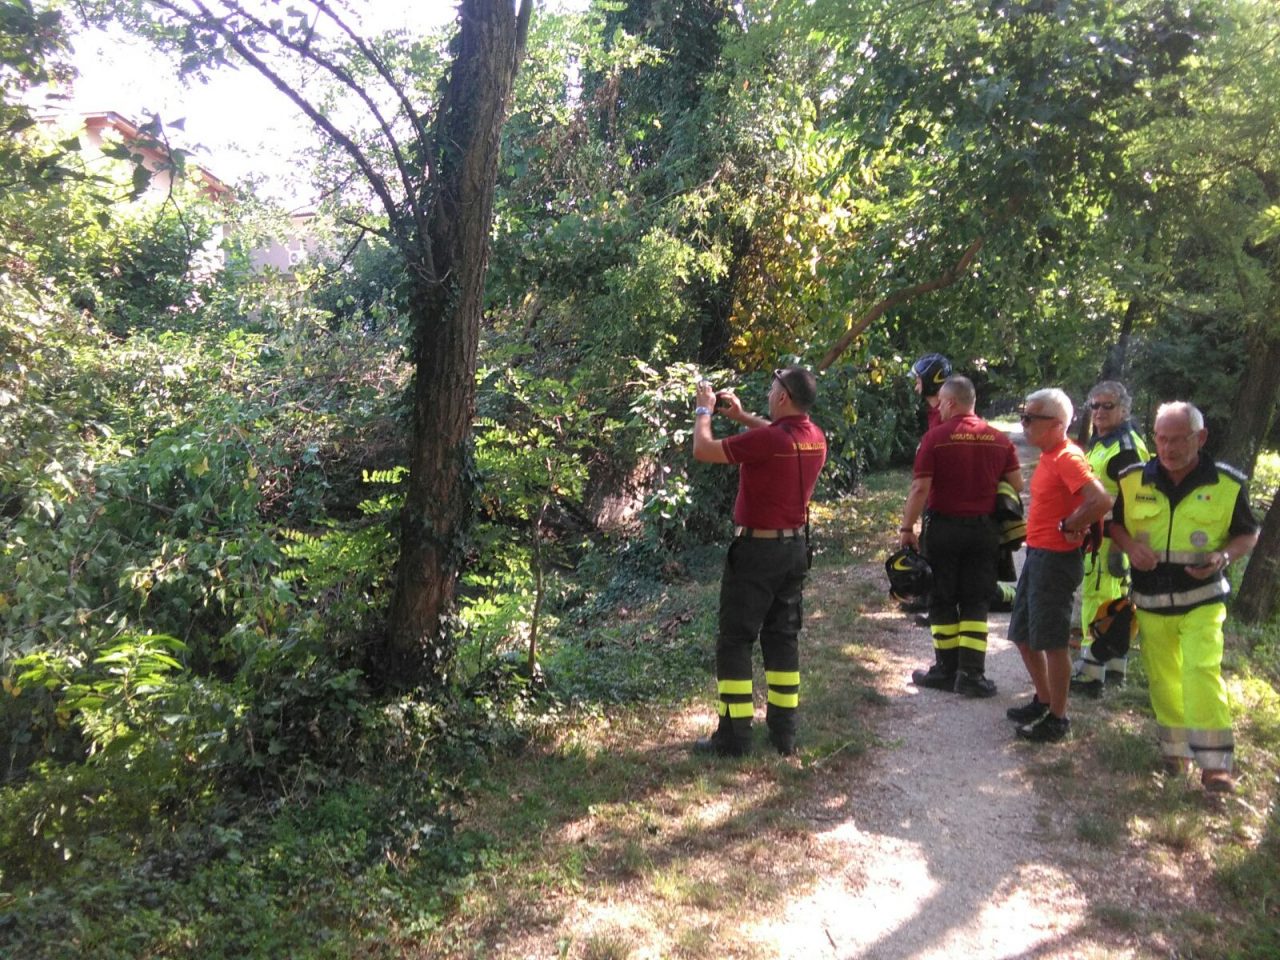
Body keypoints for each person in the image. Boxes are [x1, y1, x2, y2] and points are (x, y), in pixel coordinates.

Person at [1108, 402, 1259, 793]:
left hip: (1202, 599)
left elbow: (1247, 533)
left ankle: (1215, 766)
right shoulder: (1132, 479)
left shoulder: (1226, 484)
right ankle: (1175, 753)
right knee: (1164, 679)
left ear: (1200, 438)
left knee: (1200, 671)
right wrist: (1129, 548)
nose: (1168, 448)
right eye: (1161, 439)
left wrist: (1224, 556)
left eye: (1178, 440)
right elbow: (1116, 526)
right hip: (1152, 601)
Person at [691, 367, 828, 757]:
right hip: (794, 551)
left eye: (772, 388)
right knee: (782, 638)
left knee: (735, 640)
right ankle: (784, 733)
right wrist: (740, 417)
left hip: (757, 553)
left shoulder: (769, 440)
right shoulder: (814, 437)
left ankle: (734, 737)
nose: (769, 393)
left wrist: (705, 412)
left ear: (783, 397)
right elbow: (777, 434)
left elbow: (704, 450)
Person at [898, 376, 1022, 696]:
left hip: (943, 530)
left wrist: (907, 528)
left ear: (951, 402)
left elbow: (920, 488)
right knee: (975, 601)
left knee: (942, 599)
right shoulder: (998, 439)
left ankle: (945, 669)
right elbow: (1016, 485)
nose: (937, 407)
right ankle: (972, 675)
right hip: (984, 531)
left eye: (940, 401)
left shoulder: (935, 438)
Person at [1005, 389, 1113, 742]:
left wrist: (1070, 525)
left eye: (1030, 418)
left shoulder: (1067, 457)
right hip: (1038, 555)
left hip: (1055, 561)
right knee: (1023, 635)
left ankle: (1058, 718)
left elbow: (1100, 499)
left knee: (1051, 641)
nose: (1024, 424)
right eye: (1023, 416)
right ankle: (1044, 699)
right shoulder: (1050, 455)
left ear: (1056, 424)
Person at [1072, 381, 1150, 696]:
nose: (1100, 412)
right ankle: (1115, 664)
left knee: (1098, 599)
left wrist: (1121, 544)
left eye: (1108, 406)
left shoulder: (1127, 447)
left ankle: (1091, 674)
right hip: (1100, 535)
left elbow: (1139, 503)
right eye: (1095, 406)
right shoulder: (1104, 440)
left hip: (1109, 538)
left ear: (1124, 409)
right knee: (1114, 601)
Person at [911, 353, 954, 432]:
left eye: (918, 383)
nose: (916, 388)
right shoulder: (935, 412)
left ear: (929, 384)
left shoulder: (943, 418)